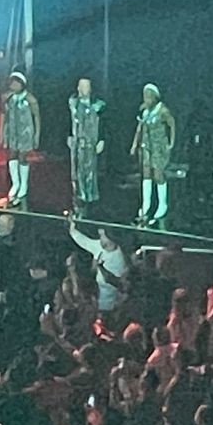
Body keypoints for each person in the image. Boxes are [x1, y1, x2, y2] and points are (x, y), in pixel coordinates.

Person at [131, 83, 176, 227]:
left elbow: (171, 124)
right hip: (147, 147)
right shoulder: (145, 113)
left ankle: (162, 204)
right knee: (146, 175)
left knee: (158, 174)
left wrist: (171, 142)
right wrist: (135, 144)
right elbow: (139, 129)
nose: (147, 99)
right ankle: (146, 204)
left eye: (149, 96)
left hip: (158, 148)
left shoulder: (162, 111)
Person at [67, 223, 129, 325]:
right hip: (94, 299)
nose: (100, 237)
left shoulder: (119, 260)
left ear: (111, 239)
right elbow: (85, 242)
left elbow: (115, 283)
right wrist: (72, 229)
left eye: (102, 235)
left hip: (106, 305)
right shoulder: (100, 247)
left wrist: (98, 268)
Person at [68, 78, 106, 216]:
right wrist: (69, 135)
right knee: (76, 169)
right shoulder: (73, 103)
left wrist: (101, 139)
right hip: (77, 141)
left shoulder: (98, 105)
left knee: (90, 169)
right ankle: (78, 195)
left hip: (91, 141)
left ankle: (90, 195)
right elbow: (68, 120)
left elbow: (104, 123)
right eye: (81, 86)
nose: (83, 89)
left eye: (86, 86)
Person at [0, 71, 38, 209]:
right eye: (12, 83)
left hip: (25, 132)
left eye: (16, 83)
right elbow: (3, 115)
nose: (13, 86)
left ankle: (23, 184)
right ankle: (15, 183)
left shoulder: (30, 99)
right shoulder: (8, 98)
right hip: (12, 131)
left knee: (22, 156)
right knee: (12, 155)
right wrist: (1, 133)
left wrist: (36, 135)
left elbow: (36, 117)